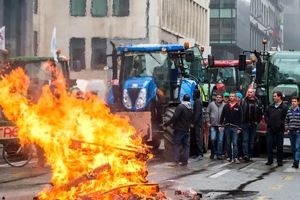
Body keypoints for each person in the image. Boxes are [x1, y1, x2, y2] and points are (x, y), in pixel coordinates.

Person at [164, 94, 193, 166]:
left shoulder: (180, 107)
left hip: (179, 129)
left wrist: (166, 124)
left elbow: (175, 117)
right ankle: (185, 161)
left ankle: (176, 161)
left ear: (183, 99)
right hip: (186, 130)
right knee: (186, 146)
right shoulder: (190, 108)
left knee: (176, 144)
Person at [264, 91, 288, 166]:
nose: (273, 97)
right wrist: (268, 122)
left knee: (279, 146)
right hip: (270, 129)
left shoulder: (284, 107)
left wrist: (281, 123)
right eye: (273, 96)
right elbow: (266, 115)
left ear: (279, 97)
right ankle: (270, 160)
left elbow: (286, 117)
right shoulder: (270, 106)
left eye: (275, 96)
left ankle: (279, 161)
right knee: (269, 144)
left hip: (279, 129)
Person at [220, 92, 243, 163]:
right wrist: (221, 125)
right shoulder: (226, 106)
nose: (231, 97)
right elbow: (222, 116)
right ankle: (230, 157)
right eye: (230, 96)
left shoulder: (238, 107)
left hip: (235, 127)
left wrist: (240, 128)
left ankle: (235, 157)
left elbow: (241, 118)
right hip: (227, 126)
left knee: (235, 143)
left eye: (233, 96)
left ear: (235, 97)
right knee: (228, 143)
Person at [240, 88, 263, 162]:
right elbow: (240, 112)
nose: (249, 93)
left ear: (254, 93)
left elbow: (260, 113)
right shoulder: (243, 101)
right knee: (245, 140)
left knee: (252, 141)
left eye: (251, 92)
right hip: (245, 123)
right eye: (248, 92)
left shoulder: (258, 101)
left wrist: (258, 121)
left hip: (254, 123)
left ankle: (249, 154)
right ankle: (246, 155)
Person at [206, 93, 226, 160]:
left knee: (220, 140)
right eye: (217, 97)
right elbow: (207, 113)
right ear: (215, 98)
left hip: (221, 126)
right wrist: (208, 121)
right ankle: (213, 153)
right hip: (213, 125)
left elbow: (227, 114)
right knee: (213, 139)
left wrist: (224, 123)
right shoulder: (211, 104)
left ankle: (219, 154)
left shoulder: (224, 105)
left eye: (220, 97)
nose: (218, 98)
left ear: (222, 98)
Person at [285, 96, 300, 168]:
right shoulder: (289, 111)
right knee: (293, 148)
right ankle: (294, 161)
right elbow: (286, 121)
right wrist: (287, 128)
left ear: (298, 102)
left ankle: (297, 161)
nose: (293, 103)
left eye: (295, 101)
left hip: (298, 132)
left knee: (297, 147)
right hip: (291, 132)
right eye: (292, 101)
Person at [191, 89, 203, 160]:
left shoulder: (198, 102)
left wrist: (193, 123)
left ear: (196, 94)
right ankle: (196, 153)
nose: (192, 94)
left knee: (198, 138)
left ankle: (200, 154)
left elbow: (197, 114)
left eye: (194, 93)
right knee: (195, 138)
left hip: (197, 124)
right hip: (196, 123)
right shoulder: (197, 101)